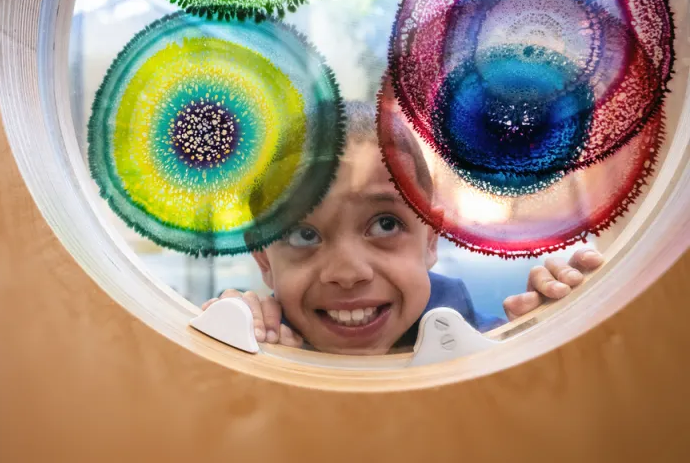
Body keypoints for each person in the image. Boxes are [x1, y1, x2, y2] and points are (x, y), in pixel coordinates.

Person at [202, 101, 604, 355]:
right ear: (264, 261)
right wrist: (232, 339)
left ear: (430, 239)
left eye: (385, 224)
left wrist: (538, 339)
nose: (348, 272)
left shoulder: (477, 337)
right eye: (303, 234)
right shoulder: (260, 341)